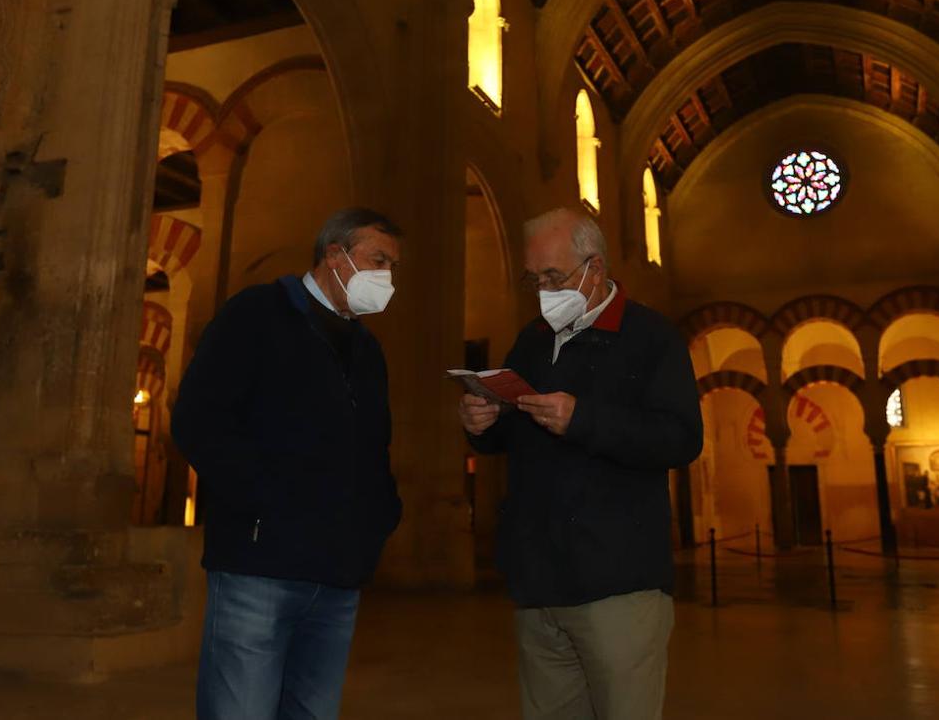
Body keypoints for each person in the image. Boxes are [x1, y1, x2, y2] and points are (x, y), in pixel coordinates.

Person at [459, 208, 703, 720]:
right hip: (539, 583)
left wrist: (583, 419)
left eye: (554, 276)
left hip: (616, 585)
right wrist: (484, 424)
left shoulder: (651, 337)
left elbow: (680, 438)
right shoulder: (532, 339)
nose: (544, 290)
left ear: (594, 269)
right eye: (535, 279)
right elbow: (518, 429)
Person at [172, 207, 404, 720]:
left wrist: (378, 517)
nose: (387, 277)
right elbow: (197, 420)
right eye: (378, 260)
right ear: (334, 255)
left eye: (392, 266)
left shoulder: (367, 350)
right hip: (261, 568)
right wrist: (266, 506)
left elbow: (374, 447)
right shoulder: (255, 314)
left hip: (338, 574)